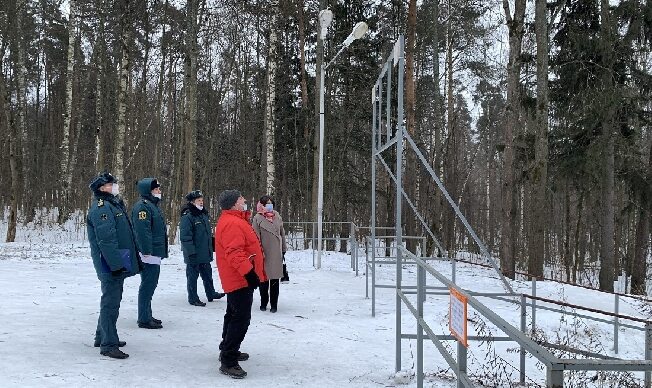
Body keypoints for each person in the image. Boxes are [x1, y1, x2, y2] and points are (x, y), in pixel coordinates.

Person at [87, 172, 142, 359]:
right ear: (102, 188)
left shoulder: (112, 204)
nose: (115, 186)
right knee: (110, 302)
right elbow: (107, 240)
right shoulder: (102, 208)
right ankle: (108, 344)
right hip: (110, 262)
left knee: (112, 299)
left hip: (118, 258)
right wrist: (115, 265)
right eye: (111, 184)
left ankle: (101, 336)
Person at [215, 189, 267, 379]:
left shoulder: (236, 220)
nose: (245, 200)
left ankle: (226, 348)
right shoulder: (232, 223)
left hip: (238, 277)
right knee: (240, 318)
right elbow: (234, 253)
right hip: (239, 278)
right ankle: (228, 360)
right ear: (234, 203)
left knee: (232, 314)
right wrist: (249, 273)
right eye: (241, 198)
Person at [132, 178, 168, 329]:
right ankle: (144, 319)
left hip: (154, 251)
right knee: (148, 284)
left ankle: (147, 313)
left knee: (151, 283)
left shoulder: (152, 205)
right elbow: (142, 231)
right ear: (148, 191)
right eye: (156, 190)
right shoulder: (143, 207)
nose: (159, 192)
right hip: (148, 253)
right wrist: (146, 251)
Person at [180, 190, 225, 306]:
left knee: (207, 274)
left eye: (201, 200)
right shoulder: (188, 216)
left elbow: (206, 235)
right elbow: (185, 237)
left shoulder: (203, 214)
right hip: (193, 253)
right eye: (198, 200)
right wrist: (190, 252)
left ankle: (211, 293)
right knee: (192, 277)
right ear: (192, 202)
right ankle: (193, 298)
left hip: (204, 252)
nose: (201, 202)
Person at [251, 195, 287, 313]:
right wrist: (258, 252)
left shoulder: (277, 216)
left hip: (276, 252)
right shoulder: (257, 218)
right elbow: (255, 237)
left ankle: (274, 304)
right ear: (261, 205)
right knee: (264, 280)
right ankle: (263, 302)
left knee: (275, 280)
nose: (269, 206)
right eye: (266, 203)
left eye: (271, 203)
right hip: (264, 252)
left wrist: (283, 249)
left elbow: (282, 233)